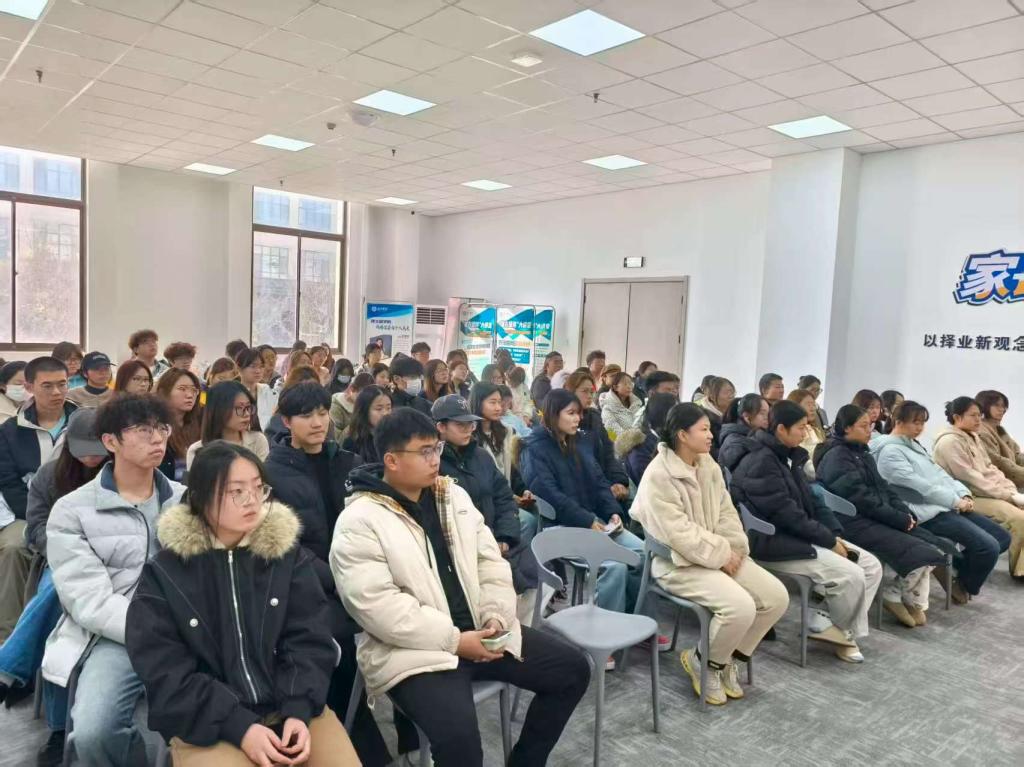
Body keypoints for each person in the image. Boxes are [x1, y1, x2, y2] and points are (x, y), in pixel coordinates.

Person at [331, 407, 590, 767]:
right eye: (424, 452)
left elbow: (489, 563)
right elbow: (379, 607)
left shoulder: (452, 497)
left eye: (436, 448)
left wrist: (496, 616)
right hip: (415, 652)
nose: (435, 459)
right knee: (460, 742)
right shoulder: (360, 521)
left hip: (482, 631)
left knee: (573, 670)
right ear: (391, 460)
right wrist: (455, 640)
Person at [125, 441, 359, 767]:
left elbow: (310, 637)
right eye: (236, 491)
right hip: (209, 721)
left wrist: (298, 709)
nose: (252, 500)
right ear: (201, 496)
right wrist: (240, 726)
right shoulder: (166, 573)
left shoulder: (285, 557)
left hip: (292, 706)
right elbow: (165, 669)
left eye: (258, 488)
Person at [42, 394, 185, 765]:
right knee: (93, 732)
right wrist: (152, 630)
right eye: (142, 430)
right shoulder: (74, 510)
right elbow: (88, 599)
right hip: (117, 636)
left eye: (162, 428)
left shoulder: (187, 501)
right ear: (110, 441)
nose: (157, 438)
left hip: (190, 631)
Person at [631, 403, 788, 705]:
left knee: (776, 598)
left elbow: (726, 512)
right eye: (703, 429)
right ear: (682, 435)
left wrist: (733, 549)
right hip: (677, 563)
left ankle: (726, 660)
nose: (711, 435)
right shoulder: (659, 475)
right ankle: (704, 662)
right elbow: (678, 534)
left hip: (717, 554)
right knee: (740, 607)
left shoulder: (708, 465)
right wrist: (721, 555)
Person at [731, 400, 883, 662]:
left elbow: (814, 501)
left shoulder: (787, 456)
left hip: (800, 535)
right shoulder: (761, 462)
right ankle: (839, 632)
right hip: (774, 541)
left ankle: (828, 624)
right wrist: (827, 540)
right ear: (781, 429)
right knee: (852, 574)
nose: (806, 433)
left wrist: (833, 534)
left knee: (871, 566)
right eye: (801, 428)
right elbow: (787, 515)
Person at [0, 408, 108, 765]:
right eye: (84, 447)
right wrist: (68, 549)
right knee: (61, 609)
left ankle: (9, 669)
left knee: (60, 596)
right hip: (61, 559)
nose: (91, 456)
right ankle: (59, 728)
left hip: (111, 565)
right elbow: (34, 530)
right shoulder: (49, 476)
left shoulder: (121, 474)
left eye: (97, 447)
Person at [518, 390, 653, 636]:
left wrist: (612, 513)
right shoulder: (534, 448)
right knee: (615, 566)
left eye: (578, 413)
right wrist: (587, 519)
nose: (578, 419)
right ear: (553, 414)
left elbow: (599, 483)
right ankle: (604, 633)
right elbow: (551, 495)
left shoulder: (580, 442)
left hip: (596, 523)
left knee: (643, 554)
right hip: (562, 528)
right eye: (571, 413)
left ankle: (628, 618)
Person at [814, 405, 947, 627]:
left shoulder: (861, 452)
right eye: (864, 426)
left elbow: (883, 488)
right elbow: (862, 500)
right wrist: (898, 519)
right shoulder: (838, 457)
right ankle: (893, 594)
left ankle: (906, 595)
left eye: (871, 425)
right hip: (851, 522)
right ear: (847, 428)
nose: (870, 431)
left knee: (936, 546)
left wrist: (904, 512)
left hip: (871, 516)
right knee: (925, 551)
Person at [872, 401, 1008, 603]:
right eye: (915, 422)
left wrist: (963, 494)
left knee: (1002, 537)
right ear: (898, 421)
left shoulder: (912, 445)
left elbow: (940, 474)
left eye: (922, 423)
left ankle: (953, 570)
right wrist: (955, 501)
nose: (920, 427)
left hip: (944, 505)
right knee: (988, 547)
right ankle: (962, 583)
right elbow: (923, 487)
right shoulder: (890, 452)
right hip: (924, 513)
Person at [434, 394, 537, 613]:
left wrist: (505, 536)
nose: (468, 430)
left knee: (532, 579)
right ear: (441, 427)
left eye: (470, 424)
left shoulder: (480, 456)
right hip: (462, 549)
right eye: (460, 425)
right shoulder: (434, 464)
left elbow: (503, 497)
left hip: (497, 538)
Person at [0, 357, 77, 640]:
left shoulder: (84, 423)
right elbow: (8, 482)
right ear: (30, 387)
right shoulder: (9, 431)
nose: (57, 392)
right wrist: (38, 518)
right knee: (14, 548)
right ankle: (8, 638)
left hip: (79, 512)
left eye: (62, 384)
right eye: (47, 386)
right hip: (26, 513)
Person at [933, 396, 1024, 580]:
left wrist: (1011, 491)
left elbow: (991, 469)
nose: (978, 420)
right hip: (967, 497)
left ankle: (1020, 568)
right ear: (957, 417)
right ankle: (1018, 572)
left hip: (985, 493)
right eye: (973, 415)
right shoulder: (949, 442)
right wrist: (1009, 496)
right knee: (1019, 518)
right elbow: (972, 479)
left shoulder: (972, 436)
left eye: (979, 415)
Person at [565, 369, 631, 504]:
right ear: (570, 392)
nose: (589, 396)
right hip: (584, 489)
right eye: (584, 391)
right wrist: (606, 487)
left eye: (591, 391)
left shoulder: (594, 417)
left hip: (605, 481)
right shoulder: (563, 422)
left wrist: (618, 481)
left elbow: (609, 454)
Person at [186, 381, 269, 469]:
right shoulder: (197, 450)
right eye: (239, 408)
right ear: (218, 410)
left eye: (248, 407)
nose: (247, 414)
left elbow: (263, 475)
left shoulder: (258, 441)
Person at [617, 393, 678, 486]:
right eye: (676, 413)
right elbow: (650, 484)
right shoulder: (640, 449)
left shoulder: (672, 439)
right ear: (665, 416)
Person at [155, 368, 202, 482]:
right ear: (163, 392)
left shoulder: (201, 424)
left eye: (194, 390)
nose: (190, 395)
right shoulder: (154, 427)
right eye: (182, 389)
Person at [975, 389, 1024, 488]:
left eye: (1003, 406)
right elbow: (999, 462)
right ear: (984, 406)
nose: (1001, 409)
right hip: (998, 484)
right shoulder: (981, 431)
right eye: (996, 405)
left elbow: (1017, 455)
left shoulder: (1000, 430)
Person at [717, 393, 769, 472]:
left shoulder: (753, 436)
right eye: (762, 413)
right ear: (746, 416)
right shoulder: (735, 443)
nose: (767, 417)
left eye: (768, 413)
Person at [342, 385, 392, 463]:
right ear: (364, 411)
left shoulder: (396, 437)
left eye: (388, 408)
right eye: (379, 409)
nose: (385, 413)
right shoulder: (353, 442)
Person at [235, 347, 277, 432]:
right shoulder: (232, 392)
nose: (258, 371)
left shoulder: (268, 391)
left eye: (261, 366)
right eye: (253, 366)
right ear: (239, 368)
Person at [787, 388, 825, 480]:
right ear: (795, 406)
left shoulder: (816, 430)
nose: (813, 408)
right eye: (808, 405)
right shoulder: (791, 432)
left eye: (813, 404)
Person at [697, 377, 735, 459]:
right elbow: (708, 448)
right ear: (712, 396)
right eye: (726, 392)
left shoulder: (733, 413)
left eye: (732, 392)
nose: (731, 396)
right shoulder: (702, 417)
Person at [331, 372, 371, 438]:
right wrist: (357, 419)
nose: (366, 400)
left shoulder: (367, 404)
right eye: (362, 395)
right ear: (352, 389)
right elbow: (337, 439)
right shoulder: (336, 407)